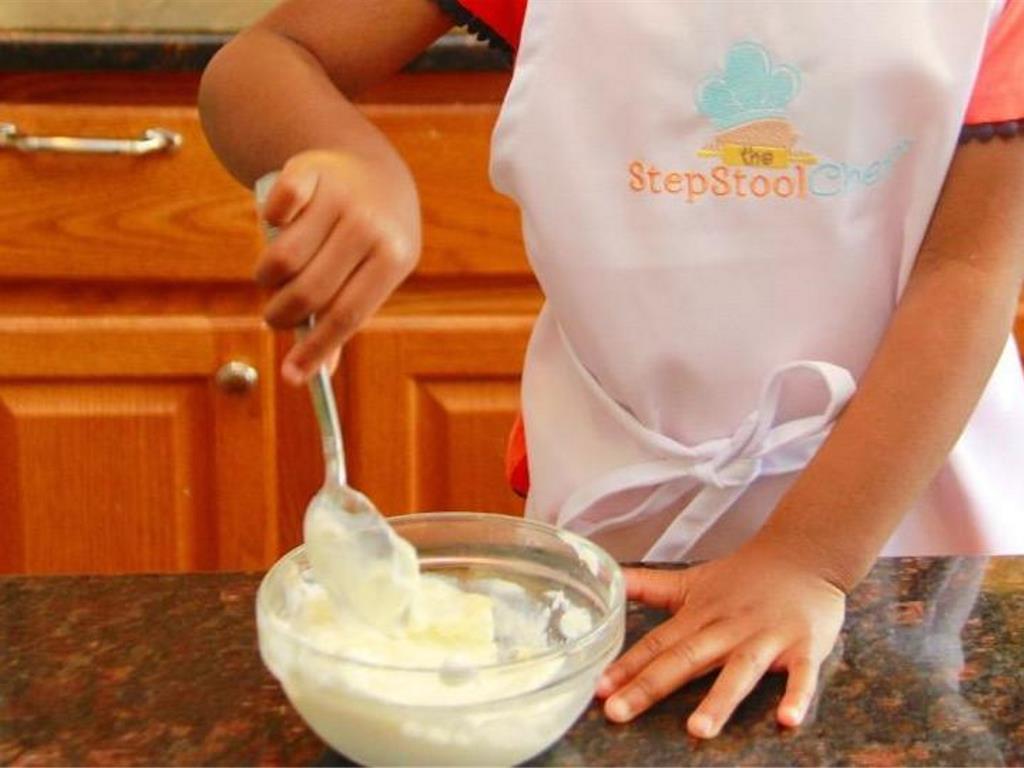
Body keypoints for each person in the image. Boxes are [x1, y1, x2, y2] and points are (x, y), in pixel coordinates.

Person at [199, 0, 1024, 739]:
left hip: (899, 530)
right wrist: (346, 155)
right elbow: (269, 57)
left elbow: (971, 272)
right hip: (621, 527)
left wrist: (807, 558)